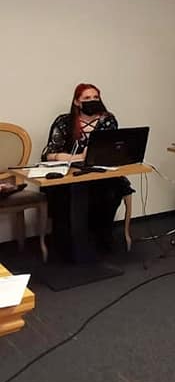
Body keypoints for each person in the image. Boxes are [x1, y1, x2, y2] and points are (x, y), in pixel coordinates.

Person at [42, 83, 135, 261]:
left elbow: (113, 149)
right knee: (66, 195)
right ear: (77, 102)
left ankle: (100, 240)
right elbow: (49, 154)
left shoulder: (107, 120)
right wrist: (76, 157)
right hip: (69, 174)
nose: (92, 100)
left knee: (111, 192)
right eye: (87, 98)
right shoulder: (64, 122)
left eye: (95, 97)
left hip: (100, 174)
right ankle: (70, 247)